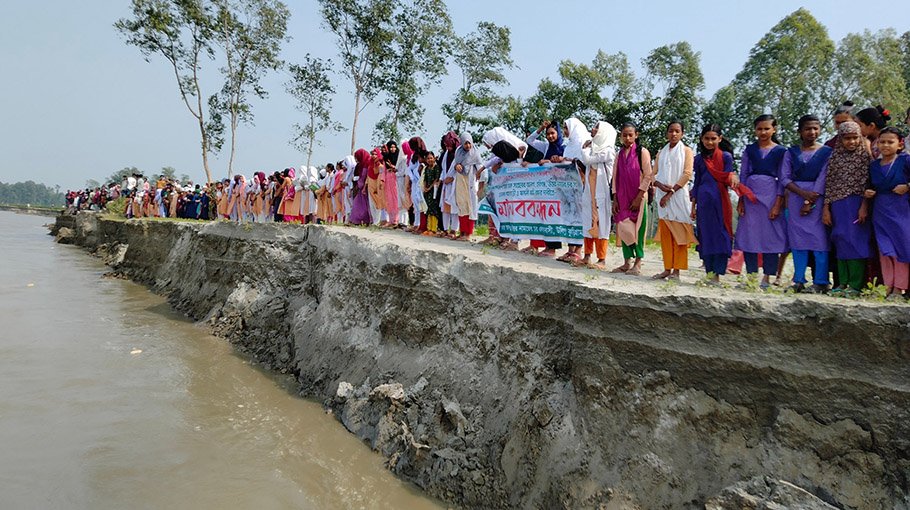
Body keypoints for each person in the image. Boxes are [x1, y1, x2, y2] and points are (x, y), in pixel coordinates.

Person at [781, 115, 833, 293]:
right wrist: (802, 194)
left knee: (819, 240)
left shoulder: (826, 152)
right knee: (798, 241)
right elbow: (785, 177)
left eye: (815, 128)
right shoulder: (791, 152)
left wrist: (811, 198)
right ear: (800, 131)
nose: (812, 132)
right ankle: (799, 279)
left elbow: (824, 176)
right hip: (796, 198)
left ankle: (821, 281)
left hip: (818, 198)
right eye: (808, 129)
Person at [735, 115, 787, 288]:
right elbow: (743, 174)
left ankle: (767, 277)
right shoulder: (749, 150)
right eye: (759, 129)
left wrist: (778, 203)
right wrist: (741, 198)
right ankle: (751, 277)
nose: (763, 132)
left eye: (767, 128)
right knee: (750, 235)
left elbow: (783, 178)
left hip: (771, 195)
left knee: (769, 237)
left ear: (774, 129)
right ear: (755, 130)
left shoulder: (781, 151)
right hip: (750, 197)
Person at [822, 121, 872, 296]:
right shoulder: (834, 158)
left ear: (860, 138)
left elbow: (868, 184)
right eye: (847, 138)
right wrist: (826, 208)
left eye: (854, 138)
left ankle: (855, 285)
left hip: (857, 203)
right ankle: (842, 283)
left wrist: (864, 206)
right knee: (840, 238)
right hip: (837, 204)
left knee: (856, 242)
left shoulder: (865, 157)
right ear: (840, 139)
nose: (851, 142)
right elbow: (829, 185)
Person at [691, 124, 741, 284]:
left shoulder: (726, 157)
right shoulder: (698, 159)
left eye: (713, 139)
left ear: (720, 139)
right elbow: (697, 182)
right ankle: (709, 273)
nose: (710, 142)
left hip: (720, 201)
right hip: (703, 203)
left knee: (720, 235)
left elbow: (727, 177)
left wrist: (733, 176)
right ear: (701, 139)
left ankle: (718, 274)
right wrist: (693, 206)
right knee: (706, 236)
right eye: (707, 138)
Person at [864, 127, 910, 299]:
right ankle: (888, 286)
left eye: (890, 142)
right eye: (882, 141)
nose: (885, 145)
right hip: (881, 210)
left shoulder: (905, 161)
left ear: (900, 144)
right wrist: (868, 192)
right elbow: (870, 185)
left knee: (901, 249)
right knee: (885, 250)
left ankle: (900, 288)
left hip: (901, 209)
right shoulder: (874, 165)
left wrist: (907, 187)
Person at [652, 121, 696, 280]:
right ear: (667, 133)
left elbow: (687, 174)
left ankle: (677, 271)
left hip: (678, 197)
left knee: (680, 236)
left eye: (677, 131)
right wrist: (659, 184)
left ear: (682, 133)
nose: (674, 134)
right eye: (671, 131)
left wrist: (670, 192)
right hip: (662, 198)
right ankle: (667, 268)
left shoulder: (686, 151)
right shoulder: (660, 153)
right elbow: (653, 173)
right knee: (666, 236)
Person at [610, 122, 653, 275]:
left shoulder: (642, 152)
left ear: (636, 135)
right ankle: (626, 262)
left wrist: (639, 196)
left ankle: (638, 263)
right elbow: (615, 177)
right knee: (623, 228)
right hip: (622, 197)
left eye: (630, 135)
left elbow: (648, 176)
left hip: (638, 197)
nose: (627, 138)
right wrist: (615, 198)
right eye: (624, 135)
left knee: (639, 230)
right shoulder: (619, 154)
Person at [577, 120, 616, 269]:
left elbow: (587, 160)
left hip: (602, 193)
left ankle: (602, 259)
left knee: (602, 225)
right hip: (589, 192)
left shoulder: (607, 151)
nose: (592, 130)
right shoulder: (593, 149)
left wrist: (585, 148)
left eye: (596, 128)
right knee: (587, 222)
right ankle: (587, 256)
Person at [524, 120, 566, 256]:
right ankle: (548, 246)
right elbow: (530, 140)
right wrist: (541, 128)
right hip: (546, 186)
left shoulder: (565, 146)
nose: (550, 136)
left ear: (558, 133)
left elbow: (565, 161)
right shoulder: (546, 146)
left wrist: (548, 161)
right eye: (548, 134)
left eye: (553, 133)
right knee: (545, 214)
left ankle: (553, 248)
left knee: (554, 215)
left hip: (559, 186)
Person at [452, 133, 483, 241]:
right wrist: (457, 166)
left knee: (470, 207)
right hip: (460, 181)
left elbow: (480, 169)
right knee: (461, 205)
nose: (468, 146)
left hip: (470, 182)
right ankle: (462, 232)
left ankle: (468, 233)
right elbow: (455, 164)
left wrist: (480, 184)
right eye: (465, 144)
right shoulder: (458, 151)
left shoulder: (475, 153)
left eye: (469, 143)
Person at [438, 132, 460, 237]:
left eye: (449, 146)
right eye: (446, 146)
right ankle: (445, 229)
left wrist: (452, 178)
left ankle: (454, 229)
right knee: (445, 207)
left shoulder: (459, 154)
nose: (448, 148)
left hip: (455, 184)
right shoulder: (445, 154)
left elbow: (462, 169)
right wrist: (443, 179)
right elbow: (443, 169)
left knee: (454, 207)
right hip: (446, 184)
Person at [348, 150, 372, 226]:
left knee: (361, 205)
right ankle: (357, 220)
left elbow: (364, 176)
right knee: (358, 204)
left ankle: (361, 220)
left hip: (364, 187)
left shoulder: (366, 164)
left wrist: (360, 185)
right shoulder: (361, 164)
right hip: (361, 186)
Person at [421, 151, 443, 234]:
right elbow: (425, 179)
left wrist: (429, 188)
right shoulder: (426, 168)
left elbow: (436, 179)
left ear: (434, 158)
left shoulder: (436, 167)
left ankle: (434, 229)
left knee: (434, 209)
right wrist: (425, 187)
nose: (430, 160)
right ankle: (429, 228)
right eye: (428, 158)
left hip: (434, 191)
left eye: (431, 158)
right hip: (427, 191)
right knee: (428, 209)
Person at [382, 142, 401, 227]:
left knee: (396, 198)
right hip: (388, 178)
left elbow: (400, 169)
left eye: (394, 147)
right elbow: (384, 169)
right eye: (391, 147)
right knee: (389, 199)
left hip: (396, 178)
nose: (393, 149)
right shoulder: (386, 158)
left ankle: (396, 219)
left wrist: (393, 167)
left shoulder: (399, 158)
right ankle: (390, 219)